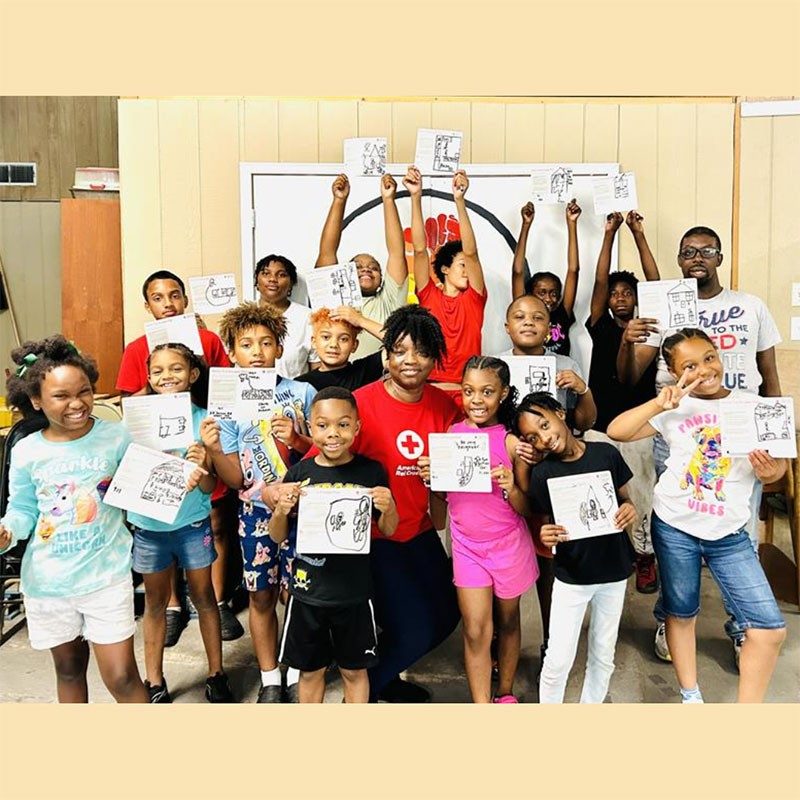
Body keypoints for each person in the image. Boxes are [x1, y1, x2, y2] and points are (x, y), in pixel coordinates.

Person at [616, 224, 782, 663]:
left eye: (706, 250)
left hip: (743, 431)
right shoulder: (663, 306)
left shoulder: (750, 306)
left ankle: (740, 626)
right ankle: (670, 618)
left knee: (738, 534)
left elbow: (770, 373)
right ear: (679, 259)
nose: (697, 257)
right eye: (688, 251)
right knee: (677, 532)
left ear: (720, 257)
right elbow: (631, 376)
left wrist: (776, 427)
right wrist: (628, 340)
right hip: (679, 427)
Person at [607, 329, 787, 702]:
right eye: (689, 365)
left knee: (768, 629)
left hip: (730, 533)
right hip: (674, 527)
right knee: (681, 611)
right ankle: (692, 697)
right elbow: (616, 431)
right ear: (675, 374)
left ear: (719, 355)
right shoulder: (673, 408)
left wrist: (771, 472)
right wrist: (661, 403)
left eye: (708, 357)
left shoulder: (753, 405)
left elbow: (779, 468)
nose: (704, 369)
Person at [312, 305, 461, 702]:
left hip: (420, 528)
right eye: (400, 350)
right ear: (386, 355)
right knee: (415, 629)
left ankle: (385, 677)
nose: (411, 361)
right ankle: (360, 696)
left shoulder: (444, 406)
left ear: (435, 359)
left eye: (422, 352)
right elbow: (322, 463)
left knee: (448, 615)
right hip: (374, 539)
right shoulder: (357, 405)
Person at [0, 336, 149, 703]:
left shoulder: (116, 437)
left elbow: (141, 496)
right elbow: (21, 510)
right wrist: (7, 531)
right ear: (36, 400)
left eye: (84, 391)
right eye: (61, 396)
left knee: (122, 677)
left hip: (106, 577)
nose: (76, 404)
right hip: (49, 583)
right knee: (68, 671)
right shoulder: (26, 450)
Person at [115, 269, 241, 644]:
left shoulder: (207, 339)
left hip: (202, 438)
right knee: (161, 520)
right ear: (147, 305)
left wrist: (211, 437)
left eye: (174, 296)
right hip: (159, 448)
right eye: (158, 297)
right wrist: (154, 393)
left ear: (185, 300)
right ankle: (172, 605)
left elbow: (227, 386)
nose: (168, 304)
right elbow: (127, 402)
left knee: (214, 520)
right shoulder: (137, 348)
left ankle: (215, 600)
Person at [201, 302, 315, 702]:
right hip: (255, 515)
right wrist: (215, 450)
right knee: (261, 594)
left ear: (279, 349)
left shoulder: (302, 392)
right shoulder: (229, 403)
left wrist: (298, 440)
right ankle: (270, 677)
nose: (257, 351)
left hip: (305, 512)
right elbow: (234, 479)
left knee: (301, 593)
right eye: (246, 344)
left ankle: (299, 665)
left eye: (266, 343)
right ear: (232, 352)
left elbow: (326, 455)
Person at [418, 357, 537, 703]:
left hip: (509, 545)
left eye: (487, 392)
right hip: (468, 548)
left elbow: (529, 508)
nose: (476, 400)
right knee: (474, 630)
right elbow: (440, 512)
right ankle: (482, 704)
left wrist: (511, 486)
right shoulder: (450, 438)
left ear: (504, 394)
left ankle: (505, 692)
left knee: (509, 621)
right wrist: (432, 482)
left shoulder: (513, 443)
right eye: (469, 391)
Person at [269, 387, 399, 703]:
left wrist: (390, 506)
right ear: (310, 429)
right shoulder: (300, 473)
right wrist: (282, 510)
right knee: (310, 672)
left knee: (355, 671)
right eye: (323, 425)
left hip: (354, 593)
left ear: (357, 427)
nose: (333, 434)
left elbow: (389, 529)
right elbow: (277, 535)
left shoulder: (371, 471)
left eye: (343, 424)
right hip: (307, 593)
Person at [127, 343, 234, 703]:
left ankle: (216, 673)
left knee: (204, 597)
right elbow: (124, 476)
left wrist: (203, 462)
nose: (166, 376)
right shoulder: (135, 423)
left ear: (192, 375)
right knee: (155, 602)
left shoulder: (203, 421)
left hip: (192, 525)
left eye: (175, 369)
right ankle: (154, 680)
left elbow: (209, 486)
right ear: (149, 375)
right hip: (149, 528)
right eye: (158, 371)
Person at [515, 393, 637, 704]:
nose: (544, 438)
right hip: (572, 577)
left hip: (614, 573)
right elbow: (544, 523)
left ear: (560, 413)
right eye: (533, 437)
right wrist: (546, 534)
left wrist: (629, 509)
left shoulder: (606, 454)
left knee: (603, 654)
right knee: (557, 660)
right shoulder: (543, 473)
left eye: (544, 424)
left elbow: (625, 500)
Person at [583, 211, 660, 594]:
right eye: (615, 294)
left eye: (626, 292)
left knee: (642, 495)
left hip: (639, 428)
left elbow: (656, 283)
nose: (619, 297)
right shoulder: (599, 326)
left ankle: (645, 556)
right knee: (600, 492)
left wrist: (638, 234)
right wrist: (609, 234)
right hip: (599, 425)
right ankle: (609, 553)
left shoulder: (649, 327)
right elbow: (599, 280)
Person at [406, 166, 487, 403]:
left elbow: (471, 254)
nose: (467, 270)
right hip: (428, 391)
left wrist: (459, 200)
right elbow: (420, 251)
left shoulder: (475, 298)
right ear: (444, 269)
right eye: (461, 265)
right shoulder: (429, 296)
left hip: (467, 393)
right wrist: (415, 196)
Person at [314, 173, 409, 358]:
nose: (366, 269)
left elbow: (397, 252)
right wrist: (339, 200)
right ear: (345, 273)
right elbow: (327, 251)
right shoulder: (334, 301)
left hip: (380, 382)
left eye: (373, 268)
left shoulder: (390, 300)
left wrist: (388, 199)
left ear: (382, 278)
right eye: (357, 267)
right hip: (340, 381)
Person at [497, 294, 596, 431]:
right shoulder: (494, 366)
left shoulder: (567, 366)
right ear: (507, 327)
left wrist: (583, 390)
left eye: (537, 318)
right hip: (506, 444)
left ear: (549, 330)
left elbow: (584, 424)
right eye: (520, 317)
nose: (529, 322)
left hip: (553, 444)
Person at [511, 199, 582, 356]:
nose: (549, 299)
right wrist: (525, 225)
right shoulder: (523, 312)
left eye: (554, 293)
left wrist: (571, 224)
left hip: (560, 377)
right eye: (542, 292)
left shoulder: (562, 313)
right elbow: (517, 271)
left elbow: (573, 270)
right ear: (530, 294)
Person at [254, 254, 319, 379]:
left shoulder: (308, 318)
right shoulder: (240, 316)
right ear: (256, 281)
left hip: (294, 397)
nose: (272, 279)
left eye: (281, 275)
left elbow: (316, 370)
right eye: (266, 273)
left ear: (291, 284)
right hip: (249, 395)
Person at [294, 307, 385, 392]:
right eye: (326, 337)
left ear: (354, 345)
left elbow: (398, 341)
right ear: (314, 342)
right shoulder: (301, 384)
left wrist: (361, 321)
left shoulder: (363, 371)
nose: (334, 345)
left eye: (343, 339)